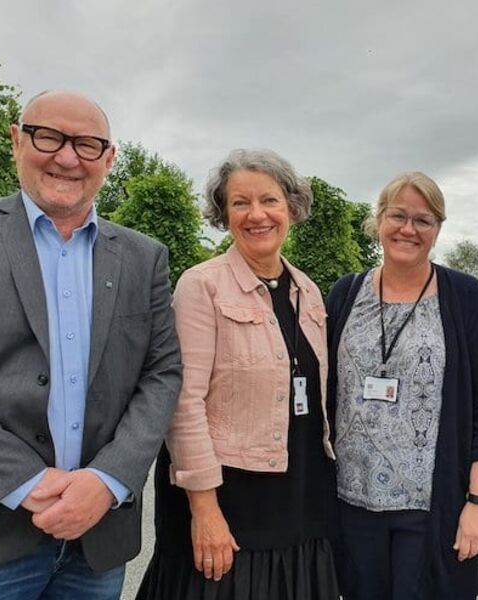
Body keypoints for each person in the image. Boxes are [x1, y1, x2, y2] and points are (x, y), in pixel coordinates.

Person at [0, 90, 182, 599]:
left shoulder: (144, 257)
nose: (67, 157)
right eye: (48, 136)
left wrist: (108, 479)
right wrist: (23, 482)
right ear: (16, 140)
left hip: (95, 544)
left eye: (87, 144)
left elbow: (162, 372)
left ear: (109, 158)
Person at [137, 149, 339, 600]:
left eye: (269, 200)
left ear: (291, 207)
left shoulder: (307, 291)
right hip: (229, 501)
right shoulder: (201, 285)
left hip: (298, 496)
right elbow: (183, 401)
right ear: (223, 214)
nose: (256, 215)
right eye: (240, 203)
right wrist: (204, 510)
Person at [326, 172, 478, 600]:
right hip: (352, 503)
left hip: (430, 508)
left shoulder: (463, 295)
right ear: (379, 221)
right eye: (398, 216)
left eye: (423, 220)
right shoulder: (345, 294)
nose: (409, 229)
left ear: (438, 229)